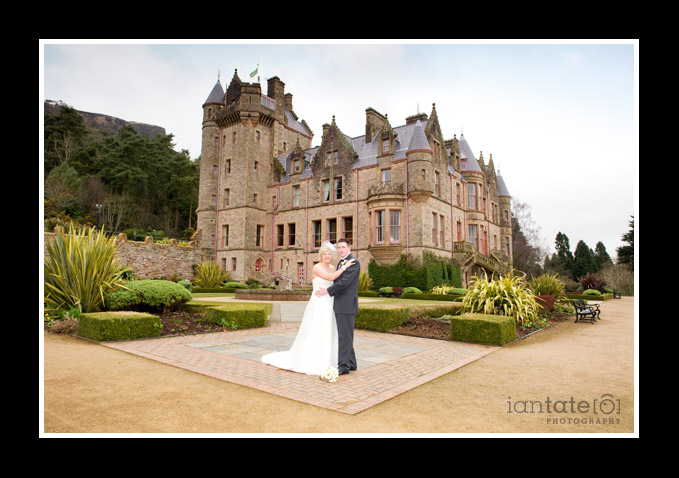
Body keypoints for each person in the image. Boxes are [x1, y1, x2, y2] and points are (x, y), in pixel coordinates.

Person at [260, 242, 355, 376]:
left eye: (329, 254)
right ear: (320, 255)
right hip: (319, 302)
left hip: (330, 302)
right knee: (316, 328)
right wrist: (345, 267)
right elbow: (330, 278)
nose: (327, 256)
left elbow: (337, 283)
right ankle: (313, 359)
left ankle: (332, 359)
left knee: (330, 328)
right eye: (325, 254)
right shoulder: (316, 267)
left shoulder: (333, 267)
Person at [314, 238, 360, 375]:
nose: (341, 250)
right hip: (340, 303)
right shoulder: (341, 262)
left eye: (343, 247)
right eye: (339, 247)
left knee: (344, 336)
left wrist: (327, 291)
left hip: (346, 304)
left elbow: (344, 283)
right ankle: (351, 363)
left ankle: (343, 366)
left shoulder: (354, 262)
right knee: (345, 335)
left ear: (349, 248)